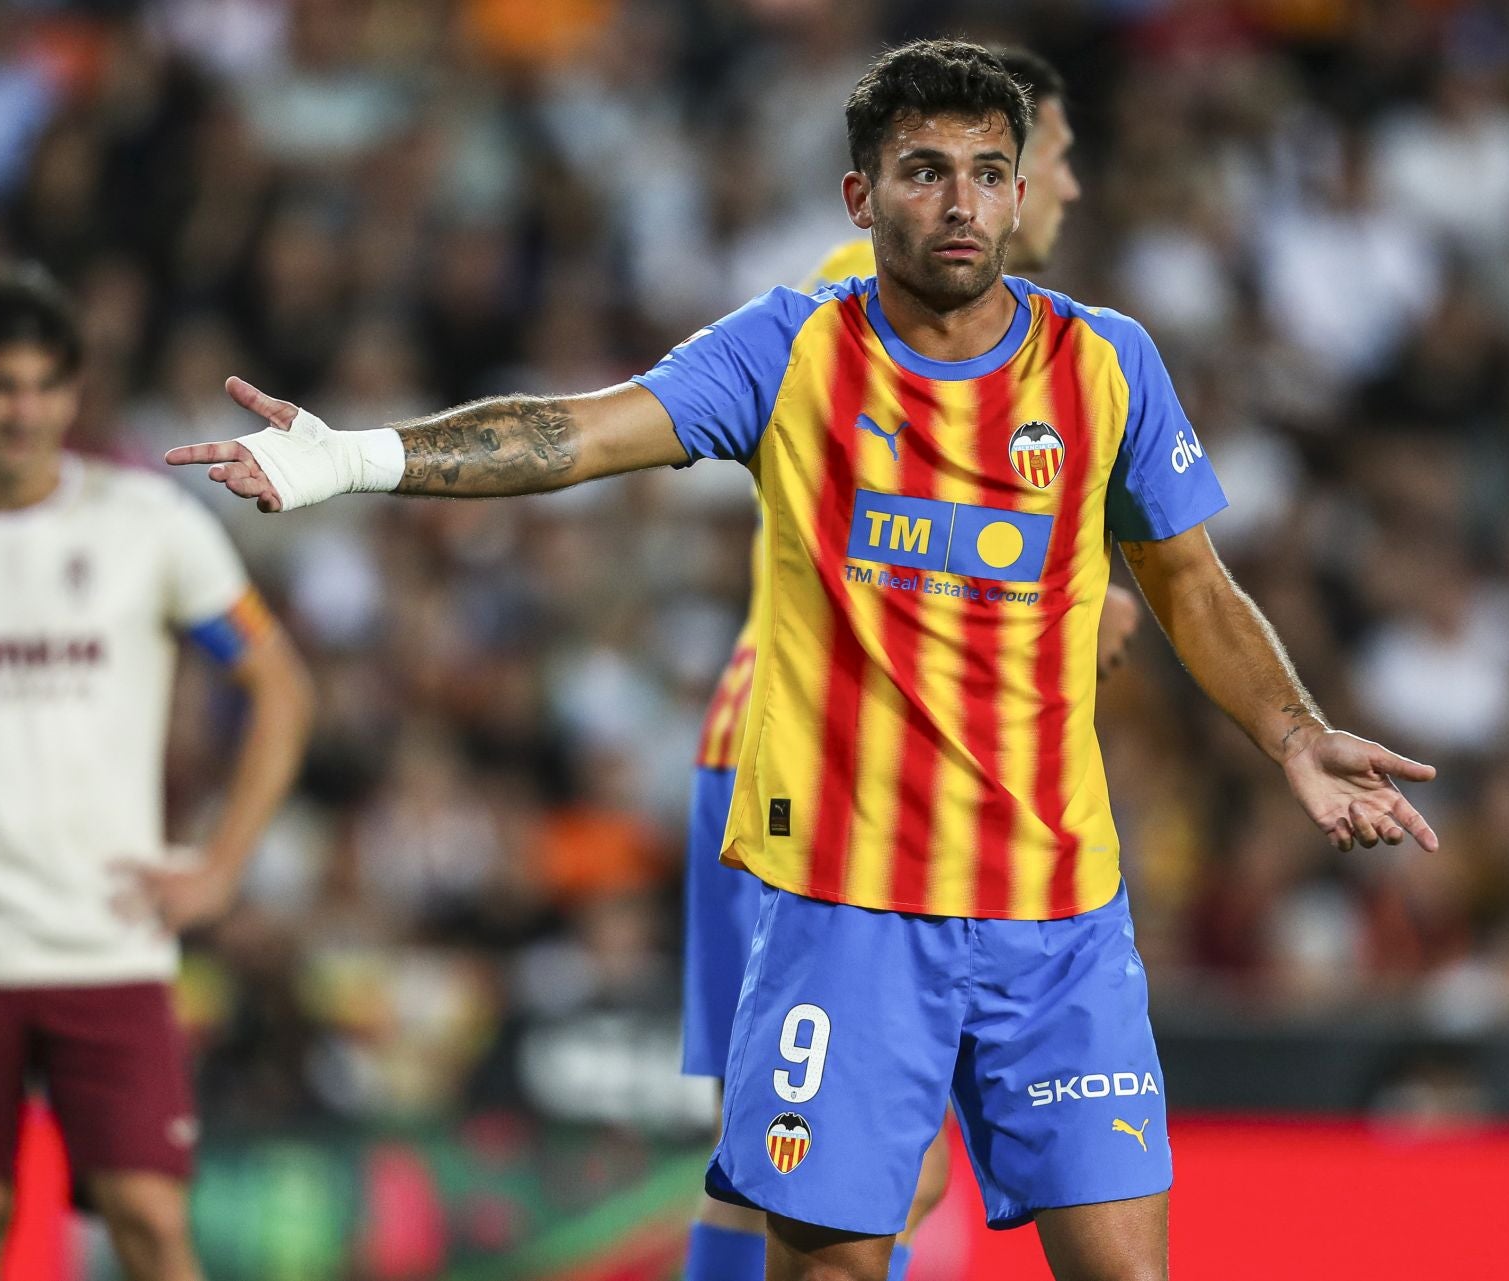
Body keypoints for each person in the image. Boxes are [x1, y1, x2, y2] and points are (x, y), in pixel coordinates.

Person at [169, 40, 1437, 1281]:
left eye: (990, 172)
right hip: (849, 912)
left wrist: (1292, 732)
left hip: (1058, 916)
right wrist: (355, 457)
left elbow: (1190, 585)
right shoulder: (790, 352)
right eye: (926, 170)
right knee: (830, 1265)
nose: (962, 202)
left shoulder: (1106, 364)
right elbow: (571, 432)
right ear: (860, 197)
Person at [676, 45, 1139, 1281]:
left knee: (872, 1163)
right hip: (809, 782)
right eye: (1057, 157)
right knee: (796, 1159)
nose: (1063, 189)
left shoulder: (1058, 351)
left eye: (1012, 168)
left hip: (904, 795)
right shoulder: (852, 301)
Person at [0, 265, 313, 1281]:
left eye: (42, 385)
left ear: (75, 394)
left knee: (153, 1225)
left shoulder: (145, 527)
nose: (21, 409)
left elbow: (281, 689)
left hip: (107, 940)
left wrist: (219, 867)